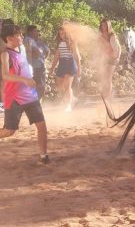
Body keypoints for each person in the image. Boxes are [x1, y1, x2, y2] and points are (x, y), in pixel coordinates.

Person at [0, 24, 49, 164]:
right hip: (14, 98)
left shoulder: (20, 49)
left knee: (42, 125)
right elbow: (4, 75)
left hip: (30, 96)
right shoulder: (5, 54)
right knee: (9, 131)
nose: (22, 37)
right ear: (9, 38)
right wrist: (24, 79)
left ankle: (44, 156)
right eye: (19, 35)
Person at [49, 25, 81, 112]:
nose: (61, 35)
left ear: (67, 33)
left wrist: (79, 69)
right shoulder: (59, 43)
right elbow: (56, 57)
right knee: (59, 86)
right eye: (60, 33)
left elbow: (77, 57)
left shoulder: (72, 42)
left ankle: (68, 105)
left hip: (70, 64)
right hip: (62, 64)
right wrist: (52, 69)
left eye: (63, 33)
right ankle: (73, 98)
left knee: (67, 86)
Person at [24, 25, 50, 100]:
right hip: (36, 66)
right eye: (35, 31)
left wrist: (43, 59)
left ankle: (36, 102)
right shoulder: (29, 40)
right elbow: (36, 52)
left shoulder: (38, 41)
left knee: (39, 85)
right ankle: (36, 102)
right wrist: (38, 57)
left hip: (38, 65)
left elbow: (47, 51)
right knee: (40, 85)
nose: (37, 32)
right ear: (30, 32)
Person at [99, 18, 121, 100]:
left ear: (108, 26)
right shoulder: (101, 36)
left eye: (105, 25)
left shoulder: (112, 36)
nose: (103, 27)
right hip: (105, 58)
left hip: (112, 59)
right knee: (104, 77)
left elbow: (118, 47)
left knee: (108, 77)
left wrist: (118, 57)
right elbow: (101, 49)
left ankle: (108, 97)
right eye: (102, 25)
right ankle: (109, 93)